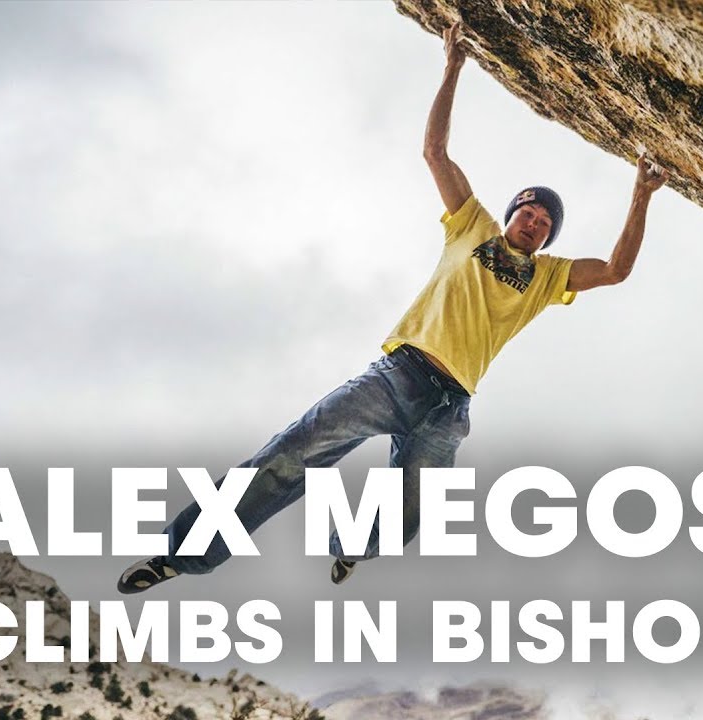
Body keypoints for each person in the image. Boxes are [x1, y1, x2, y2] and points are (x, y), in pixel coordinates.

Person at [118, 21, 669, 593]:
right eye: (529, 213)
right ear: (512, 214)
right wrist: (453, 66)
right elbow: (435, 152)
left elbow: (615, 269)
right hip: (397, 376)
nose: (534, 224)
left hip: (449, 409)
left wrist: (640, 194)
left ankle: (350, 548)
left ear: (549, 239)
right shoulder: (471, 227)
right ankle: (178, 556)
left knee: (406, 518)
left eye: (545, 225)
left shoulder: (549, 277)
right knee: (293, 452)